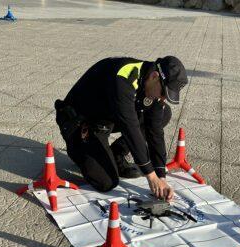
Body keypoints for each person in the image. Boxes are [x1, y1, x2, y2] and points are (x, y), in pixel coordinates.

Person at [55, 56, 188, 201]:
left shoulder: (152, 83)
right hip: (80, 122)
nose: (163, 98)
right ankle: (78, 149)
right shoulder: (123, 78)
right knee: (106, 182)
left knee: (164, 113)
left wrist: (161, 175)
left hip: (107, 117)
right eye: (163, 93)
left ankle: (116, 153)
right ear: (154, 76)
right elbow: (130, 128)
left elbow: (155, 131)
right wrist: (150, 176)